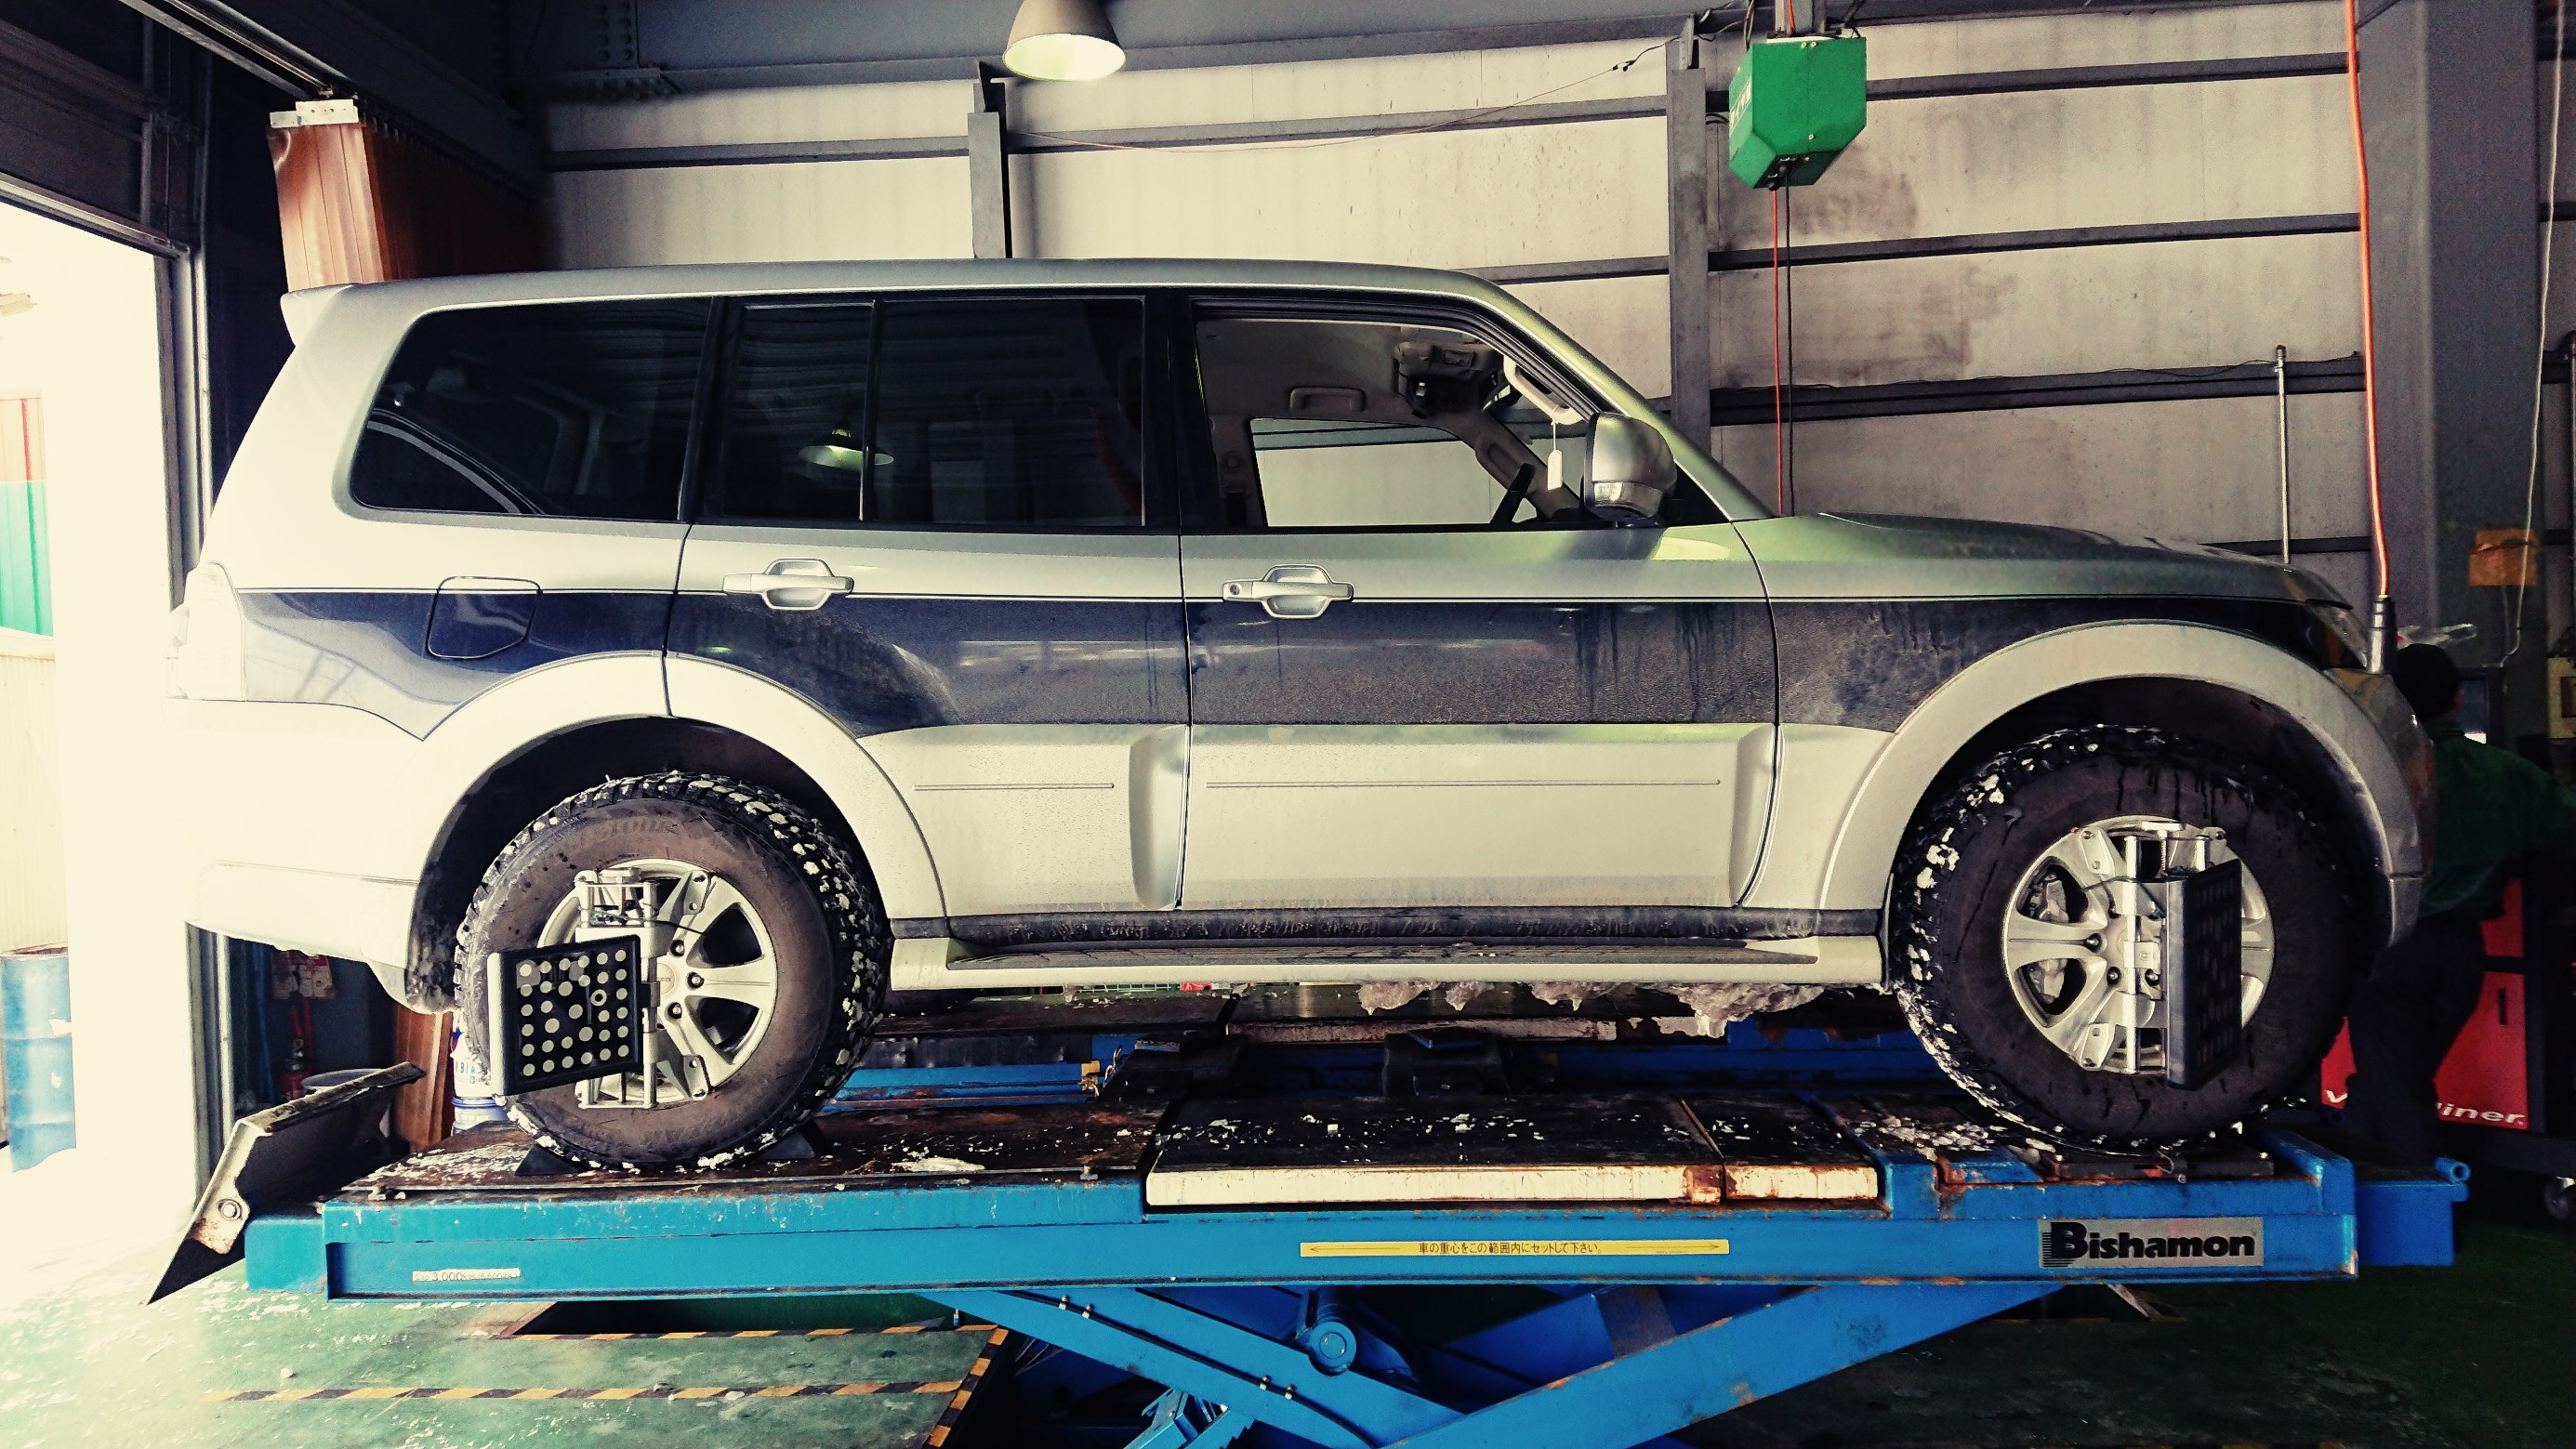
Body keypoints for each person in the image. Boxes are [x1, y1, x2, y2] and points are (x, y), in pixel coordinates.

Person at [2343, 643, 2576, 1165]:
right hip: (2463, 959)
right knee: (2390, 1080)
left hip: (2392, 956)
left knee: (2400, 1094)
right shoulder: (2507, 773)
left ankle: (2417, 1203)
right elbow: (2563, 823)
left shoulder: (2374, 778)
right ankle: (2355, 1177)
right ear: (2459, 699)